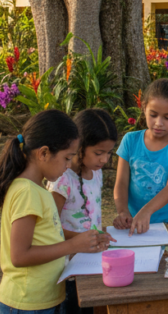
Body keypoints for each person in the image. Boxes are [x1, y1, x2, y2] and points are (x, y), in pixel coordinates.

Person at [0, 109, 110, 314]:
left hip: (41, 300)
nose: (69, 164)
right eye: (67, 158)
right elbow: (19, 256)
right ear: (43, 153)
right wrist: (72, 245)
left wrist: (84, 240)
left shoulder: (37, 189)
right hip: (25, 303)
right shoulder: (27, 192)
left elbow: (48, 236)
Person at [48, 109, 118, 314]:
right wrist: (80, 240)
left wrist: (96, 237)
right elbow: (49, 228)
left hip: (92, 261)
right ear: (79, 147)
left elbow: (91, 216)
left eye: (109, 153)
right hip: (67, 268)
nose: (105, 160)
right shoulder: (61, 179)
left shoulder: (95, 173)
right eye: (99, 153)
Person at [113, 78, 168, 233]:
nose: (159, 123)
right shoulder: (130, 140)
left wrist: (146, 211)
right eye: (153, 115)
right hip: (133, 222)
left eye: (167, 117)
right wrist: (123, 211)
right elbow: (121, 183)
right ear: (144, 108)